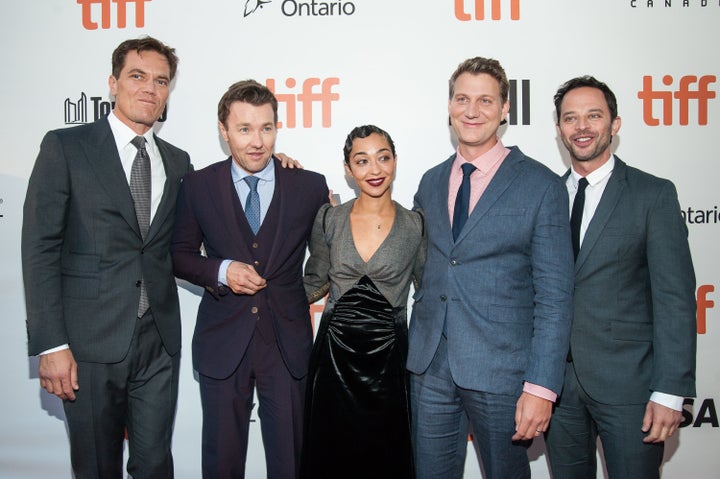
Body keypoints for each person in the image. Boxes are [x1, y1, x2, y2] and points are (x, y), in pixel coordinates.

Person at [21, 36, 192, 478]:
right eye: (137, 76)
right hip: (88, 344)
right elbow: (39, 248)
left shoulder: (178, 162)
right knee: (97, 468)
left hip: (158, 342)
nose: (150, 89)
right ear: (113, 83)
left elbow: (196, 236)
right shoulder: (67, 147)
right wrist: (51, 344)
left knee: (155, 466)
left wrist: (276, 171)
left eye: (161, 81)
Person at [406, 56, 575, 479]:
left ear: (505, 110)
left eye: (485, 100)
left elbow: (555, 296)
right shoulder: (429, 181)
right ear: (449, 106)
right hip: (430, 366)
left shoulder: (541, 185)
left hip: (504, 372)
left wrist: (540, 387)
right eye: (462, 98)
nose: (472, 110)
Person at [170, 79, 329, 478]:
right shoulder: (196, 185)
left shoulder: (309, 185)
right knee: (222, 462)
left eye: (266, 128)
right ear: (223, 132)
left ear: (277, 127)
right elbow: (178, 256)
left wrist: (297, 294)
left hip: (287, 344)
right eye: (244, 129)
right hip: (223, 342)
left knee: (292, 461)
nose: (257, 141)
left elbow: (327, 257)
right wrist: (221, 270)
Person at [544, 75, 697, 479]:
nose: (582, 127)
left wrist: (669, 391)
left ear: (615, 123)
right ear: (559, 128)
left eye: (593, 116)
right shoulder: (547, 197)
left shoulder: (653, 194)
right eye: (570, 118)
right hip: (557, 387)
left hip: (631, 386)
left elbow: (675, 299)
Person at [301, 125, 426, 478]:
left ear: (395, 161)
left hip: (390, 360)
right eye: (362, 160)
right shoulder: (329, 218)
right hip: (333, 359)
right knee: (331, 454)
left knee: (387, 454)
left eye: (383, 158)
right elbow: (314, 283)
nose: (374, 170)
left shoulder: (415, 224)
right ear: (347, 168)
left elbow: (429, 292)